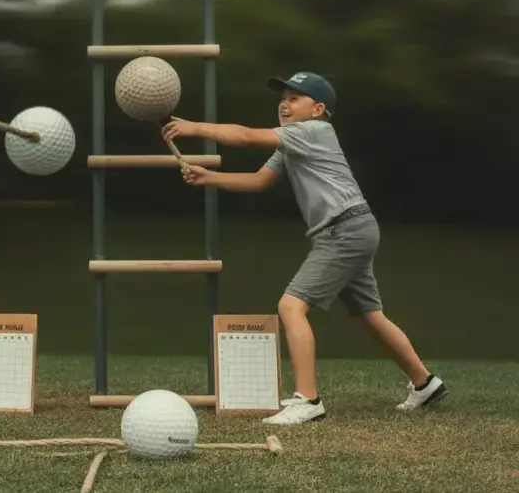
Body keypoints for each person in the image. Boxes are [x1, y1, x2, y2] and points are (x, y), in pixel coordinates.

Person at [161, 71, 447, 425]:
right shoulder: (294, 141)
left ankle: (308, 400)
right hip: (354, 228)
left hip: (343, 230)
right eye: (283, 97)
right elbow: (259, 180)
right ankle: (425, 382)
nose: (284, 103)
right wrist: (209, 177)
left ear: (318, 109)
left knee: (291, 306)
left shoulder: (314, 132)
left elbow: (248, 137)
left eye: (295, 98)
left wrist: (195, 128)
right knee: (369, 315)